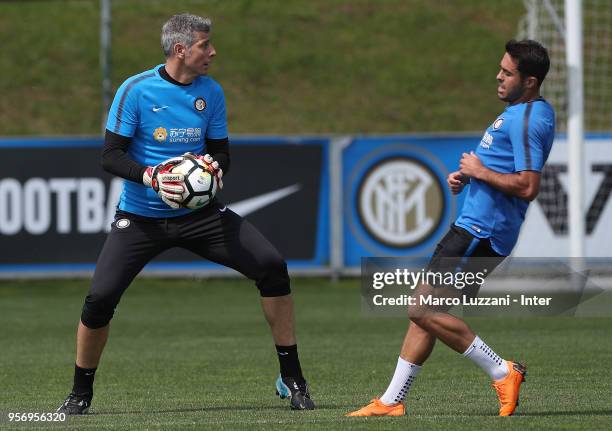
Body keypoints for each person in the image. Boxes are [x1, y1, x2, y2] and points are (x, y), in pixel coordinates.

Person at [57, 13, 314, 414]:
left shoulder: (210, 92)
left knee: (272, 267)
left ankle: (293, 378)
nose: (213, 52)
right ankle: (79, 393)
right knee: (100, 298)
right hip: (140, 218)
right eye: (204, 45)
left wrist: (213, 170)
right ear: (181, 50)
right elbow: (110, 156)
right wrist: (154, 176)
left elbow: (223, 153)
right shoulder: (135, 90)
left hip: (201, 217)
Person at [347, 39, 555, 417]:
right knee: (429, 312)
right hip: (475, 226)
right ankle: (391, 402)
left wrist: (480, 171)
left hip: (480, 232)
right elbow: (503, 168)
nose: (498, 76)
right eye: (501, 68)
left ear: (530, 81)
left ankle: (501, 370)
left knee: (420, 309)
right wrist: (471, 178)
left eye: (508, 73)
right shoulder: (520, 112)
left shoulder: (527, 120)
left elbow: (528, 186)